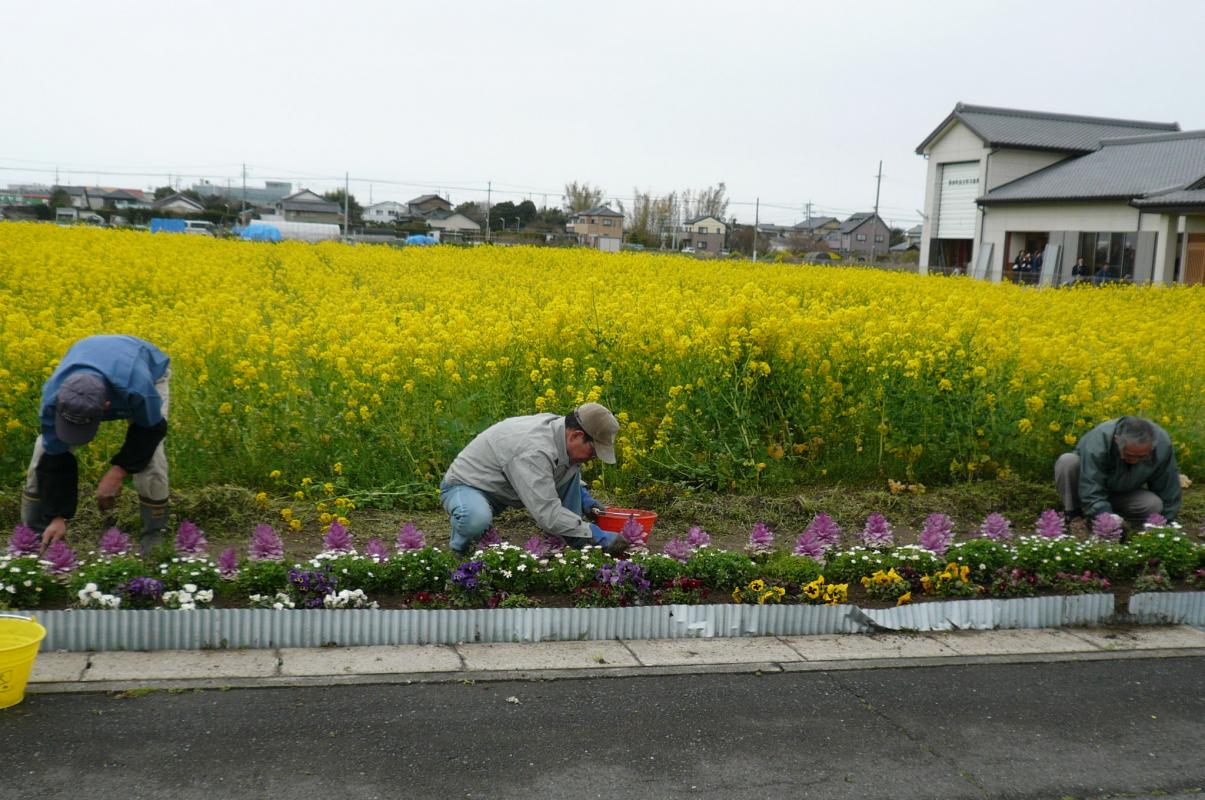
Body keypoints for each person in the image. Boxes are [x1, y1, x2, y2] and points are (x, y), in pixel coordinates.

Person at [21, 335, 172, 555]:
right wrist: (57, 515)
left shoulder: (139, 389)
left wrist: (118, 471)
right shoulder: (53, 396)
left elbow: (151, 430)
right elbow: (55, 457)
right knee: (42, 451)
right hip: (93, 372)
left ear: (106, 407)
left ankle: (155, 540)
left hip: (145, 373)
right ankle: (34, 538)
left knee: (152, 460)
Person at [440, 403, 625, 556]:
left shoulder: (562, 432)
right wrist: (596, 534)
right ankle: (458, 555)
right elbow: (547, 513)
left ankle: (569, 545)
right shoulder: (533, 451)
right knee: (475, 520)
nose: (594, 458)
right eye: (593, 452)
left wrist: (584, 497)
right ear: (577, 435)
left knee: (572, 465)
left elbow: (560, 469)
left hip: (506, 488)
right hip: (468, 487)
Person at [1054, 416, 1181, 527]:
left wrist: (1167, 522)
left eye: (1142, 457)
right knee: (1068, 461)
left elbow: (1168, 485)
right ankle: (1074, 516)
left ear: (1152, 445)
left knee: (1154, 505)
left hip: (1122, 493)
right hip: (1084, 490)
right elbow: (1090, 484)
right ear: (1117, 440)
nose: (1135, 461)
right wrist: (1103, 513)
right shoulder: (1100, 439)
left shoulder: (1162, 444)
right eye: (1130, 455)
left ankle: (1118, 520)